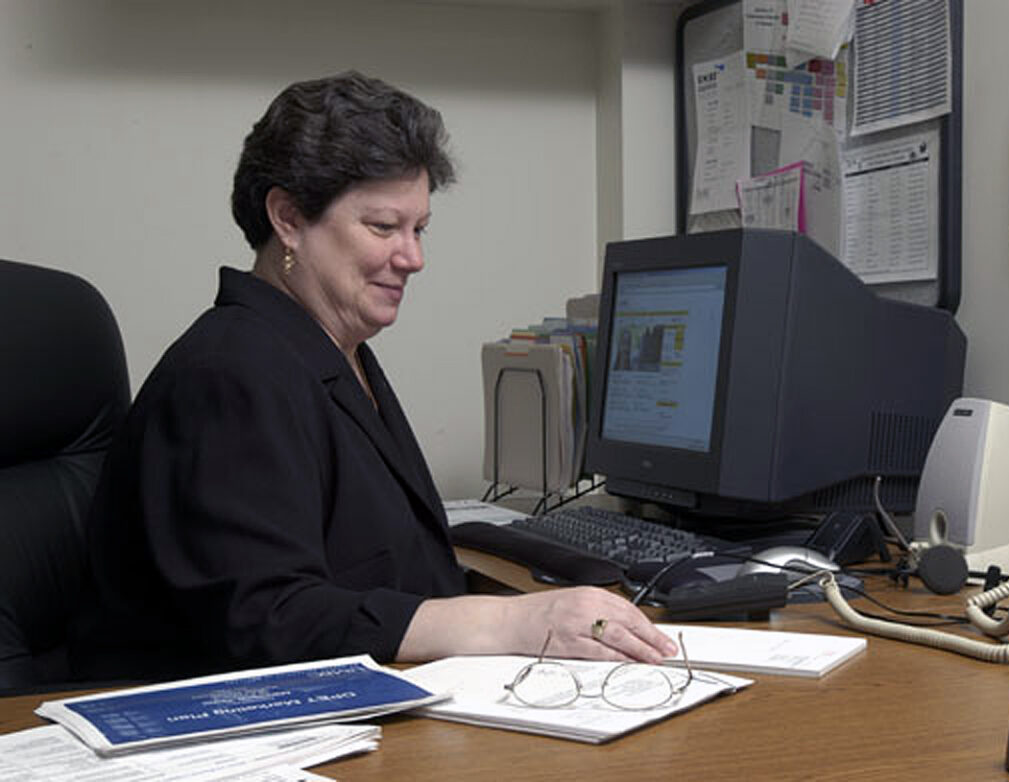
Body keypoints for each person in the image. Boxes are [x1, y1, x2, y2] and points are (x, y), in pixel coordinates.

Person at [70, 71, 676, 681]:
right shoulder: (229, 376)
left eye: (420, 229)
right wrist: (510, 622)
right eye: (383, 227)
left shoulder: (332, 348)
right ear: (286, 217)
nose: (413, 257)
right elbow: (267, 621)